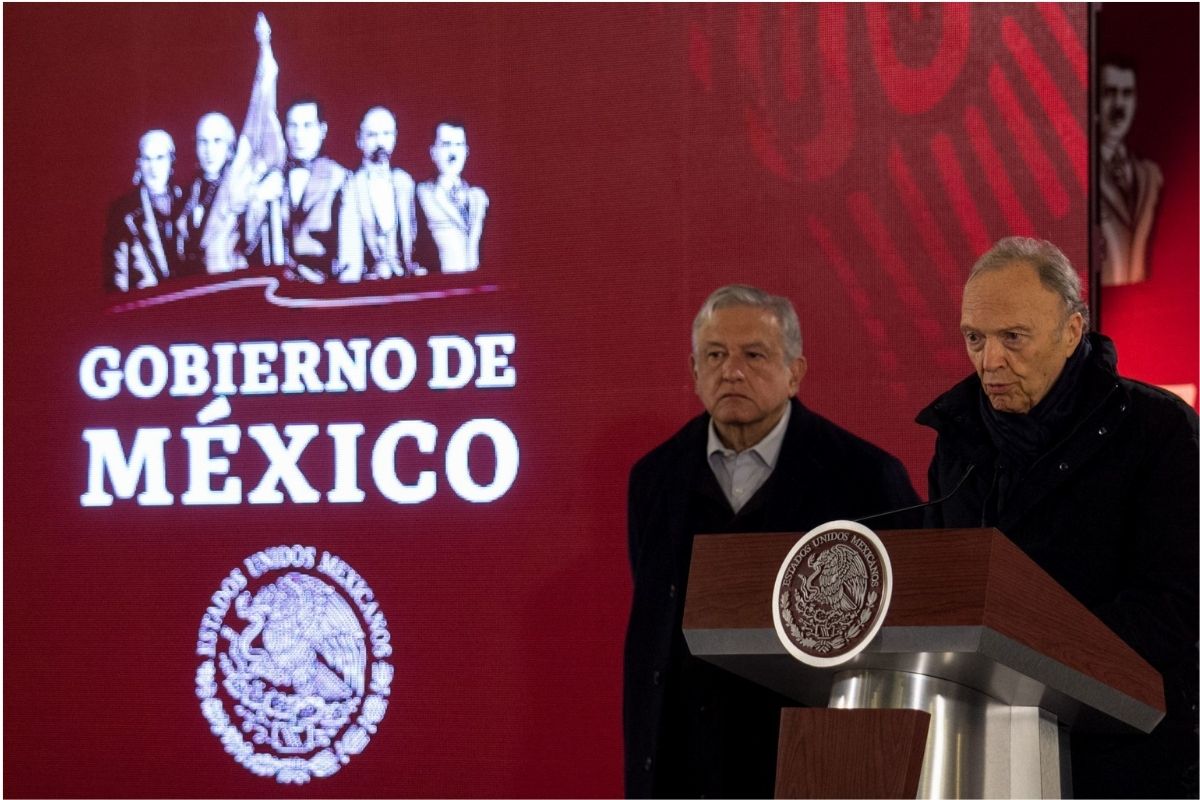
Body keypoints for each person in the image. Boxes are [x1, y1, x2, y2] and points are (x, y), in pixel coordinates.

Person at [917, 237, 1198, 798]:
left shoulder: (1159, 431)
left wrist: (1029, 652)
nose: (989, 361)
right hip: (976, 753)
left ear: (1072, 331)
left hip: (1127, 761)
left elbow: (1177, 608)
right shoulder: (958, 441)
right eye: (975, 338)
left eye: (1013, 338)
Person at [624, 284, 920, 798]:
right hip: (681, 762)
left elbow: (905, 632)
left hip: (807, 759)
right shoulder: (655, 478)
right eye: (714, 355)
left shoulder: (865, 478)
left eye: (754, 355)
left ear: (795, 373)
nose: (732, 371)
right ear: (694, 372)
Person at [182, 13, 287, 276]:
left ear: (231, 146)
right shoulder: (187, 193)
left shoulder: (241, 181)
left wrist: (259, 196)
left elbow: (253, 236)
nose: (209, 150)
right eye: (203, 142)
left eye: (217, 141)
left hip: (231, 288)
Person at [245, 97, 348, 283]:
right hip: (275, 289)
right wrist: (258, 200)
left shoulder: (339, 178)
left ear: (322, 130)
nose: (298, 135)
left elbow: (349, 257)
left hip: (324, 289)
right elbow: (247, 243)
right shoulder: (270, 178)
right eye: (293, 126)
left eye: (307, 125)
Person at [339, 106, 427, 281]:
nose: (381, 142)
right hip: (369, 284)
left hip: (406, 280)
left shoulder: (405, 183)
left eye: (387, 134)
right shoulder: (351, 187)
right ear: (359, 139)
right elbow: (349, 251)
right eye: (372, 135)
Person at [1098, 60, 1162, 287]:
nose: (1119, 104)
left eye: (1127, 94)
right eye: (1109, 93)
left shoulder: (1151, 176)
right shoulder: (1079, 177)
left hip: (1147, 301)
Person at [104, 129, 185, 292]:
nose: (153, 167)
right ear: (139, 164)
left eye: (160, 158)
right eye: (147, 159)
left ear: (172, 161)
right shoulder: (123, 212)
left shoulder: (186, 201)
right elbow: (118, 276)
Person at [414, 120, 488, 273]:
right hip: (441, 286)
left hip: (477, 288)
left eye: (459, 145)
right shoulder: (422, 195)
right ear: (433, 152)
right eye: (446, 145)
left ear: (466, 151)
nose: (453, 154)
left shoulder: (479, 198)